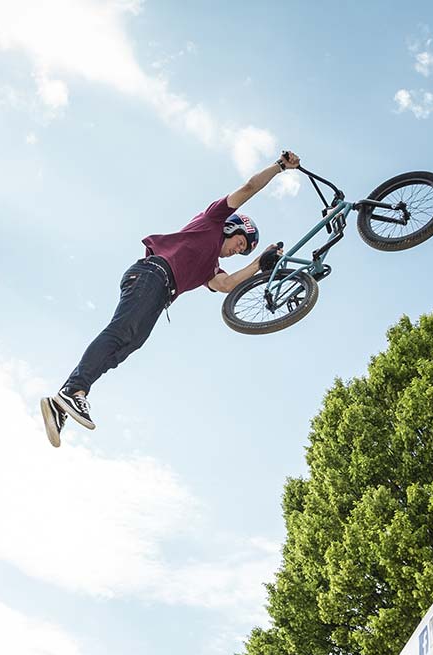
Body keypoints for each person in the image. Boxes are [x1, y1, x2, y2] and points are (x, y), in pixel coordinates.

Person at [38, 151, 301, 447]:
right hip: (152, 274)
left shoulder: (210, 267)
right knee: (121, 332)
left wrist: (259, 265)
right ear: (231, 228)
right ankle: (73, 390)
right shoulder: (212, 222)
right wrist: (279, 167)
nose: (234, 252)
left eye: (240, 252)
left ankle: (64, 402)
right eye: (238, 244)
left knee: (127, 345)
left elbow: (226, 284)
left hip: (159, 291)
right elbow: (249, 187)